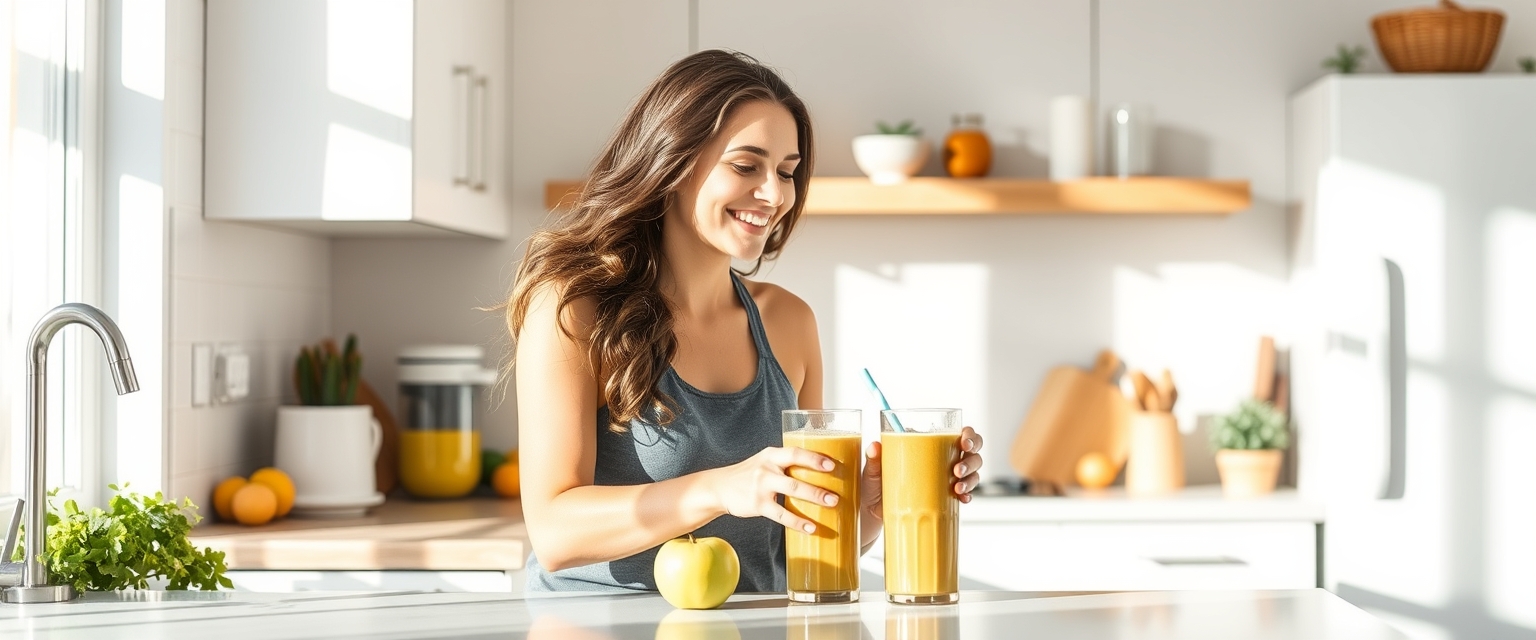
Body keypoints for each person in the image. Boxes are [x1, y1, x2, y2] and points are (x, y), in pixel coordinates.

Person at [504, 50, 985, 593]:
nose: (776, 194)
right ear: (674, 161)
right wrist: (718, 489)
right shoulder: (576, 310)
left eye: (787, 172)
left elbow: (801, 539)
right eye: (745, 166)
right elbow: (554, 530)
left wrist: (871, 507)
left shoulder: (789, 322)